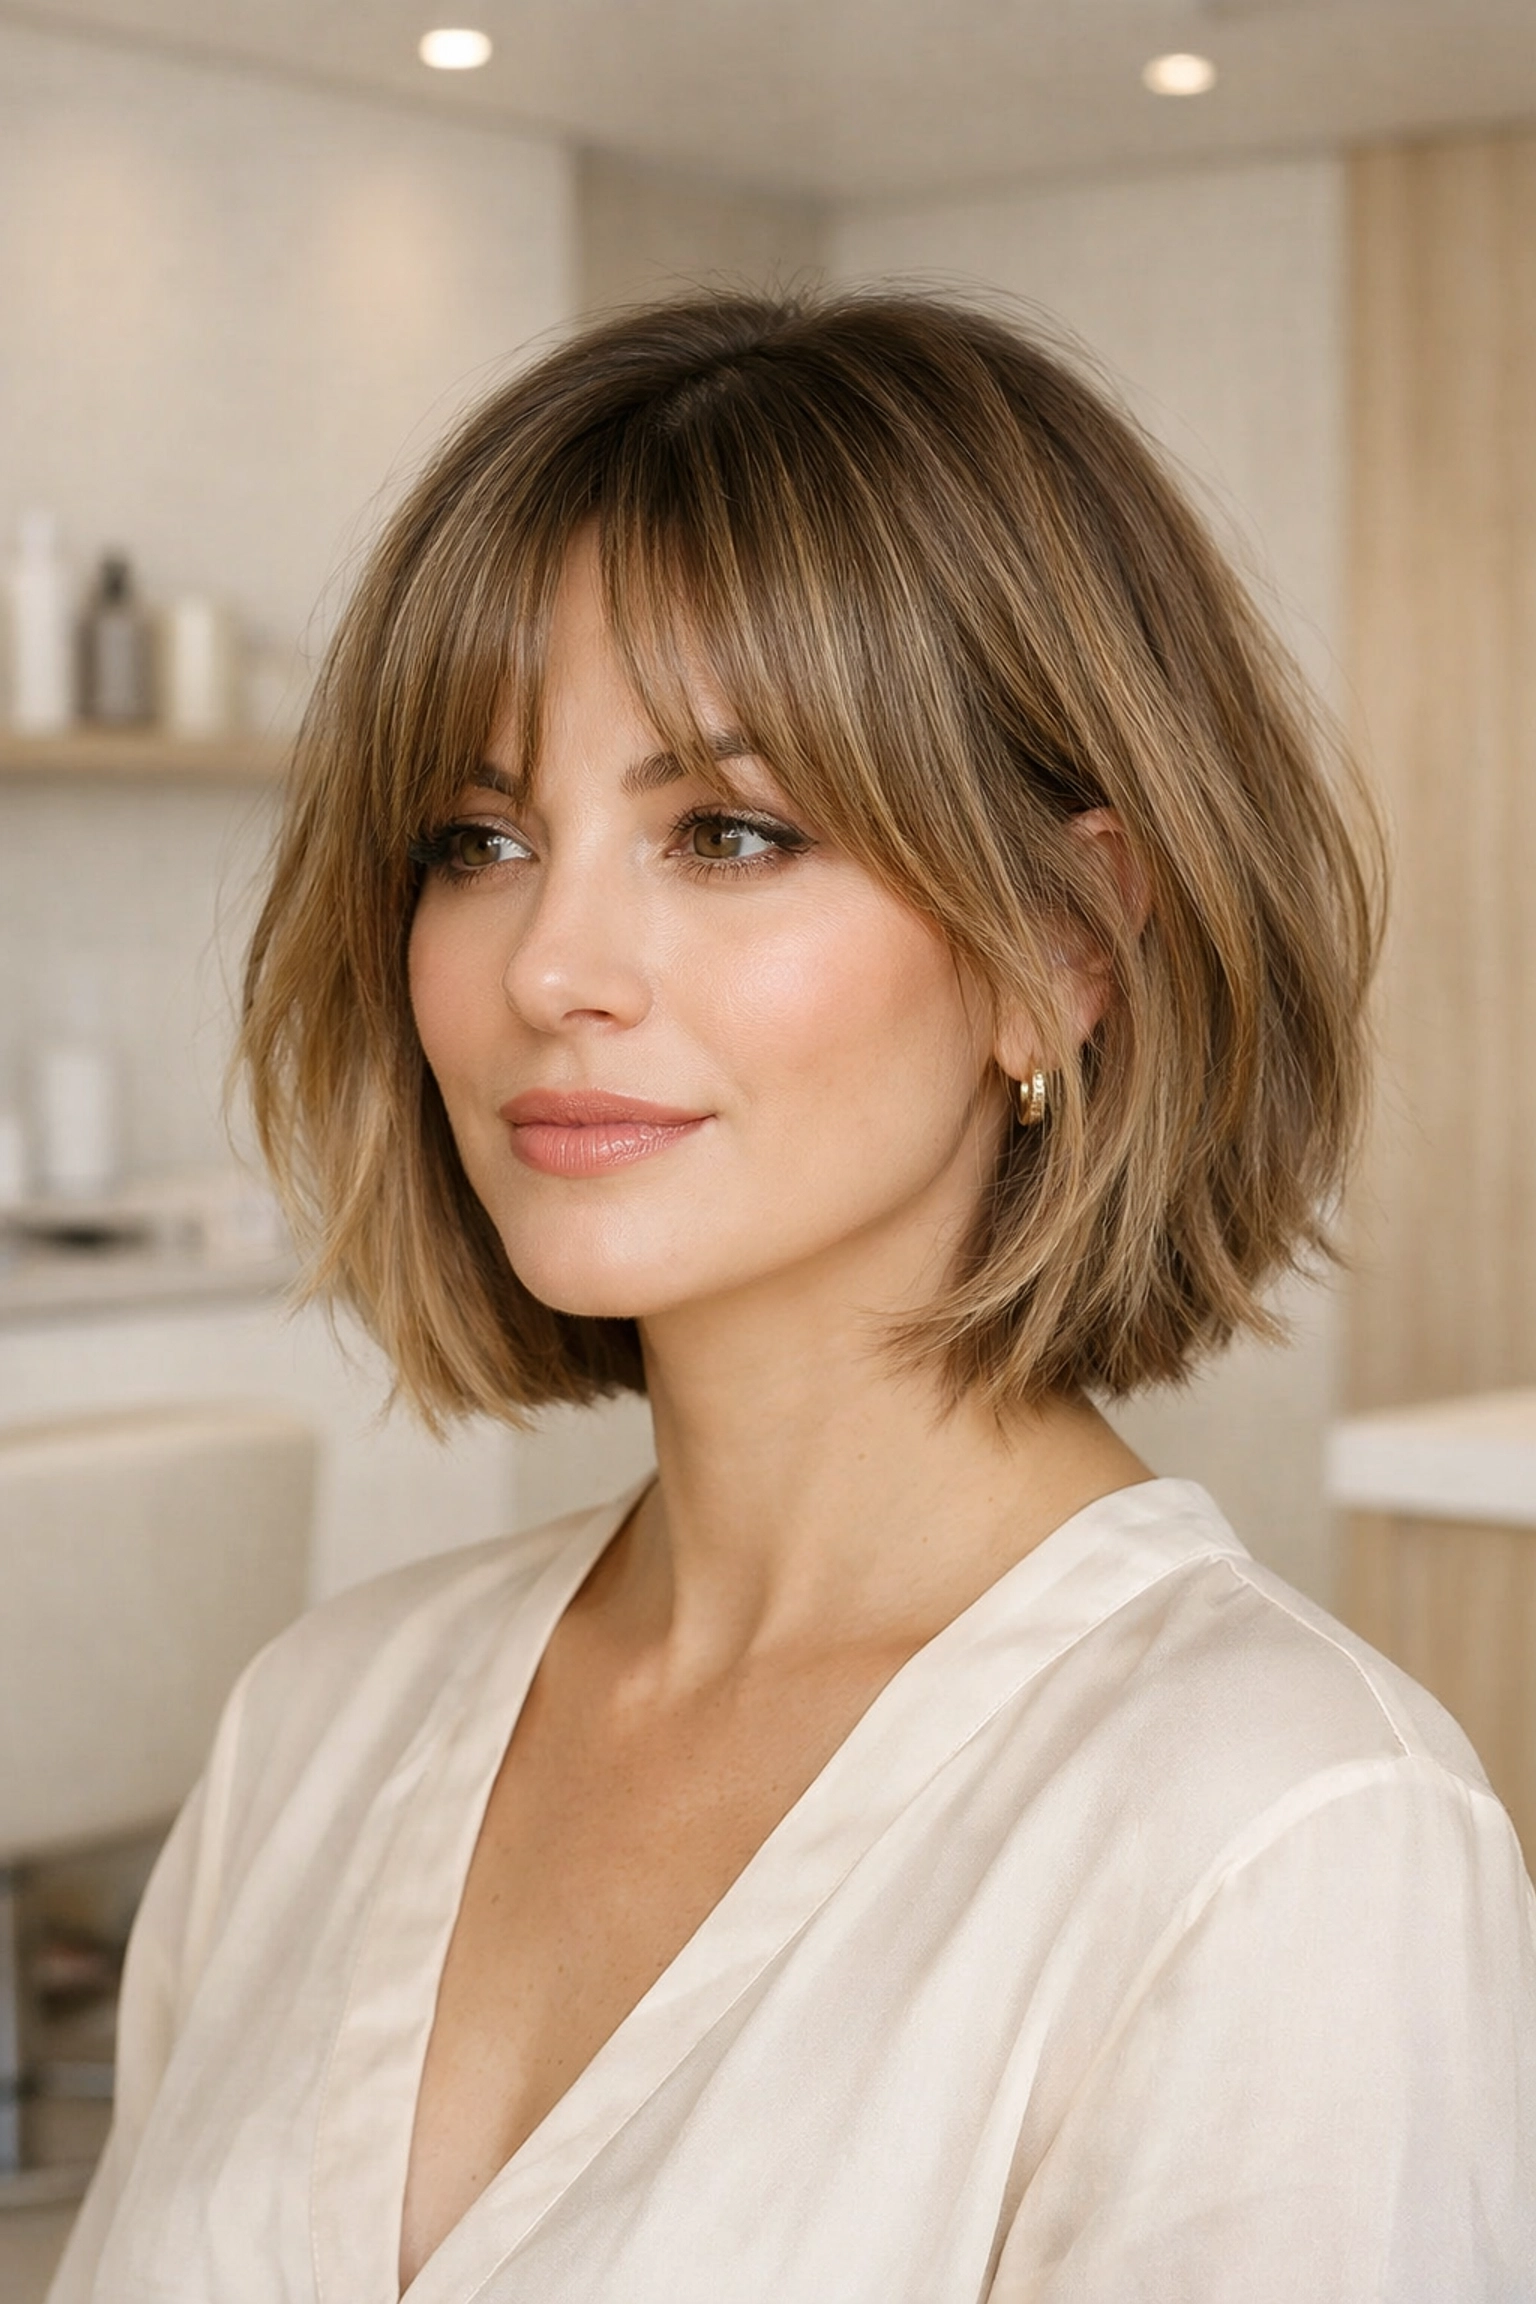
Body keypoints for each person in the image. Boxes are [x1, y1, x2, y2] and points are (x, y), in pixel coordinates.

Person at [51, 289, 1536, 2304]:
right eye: (479, 839)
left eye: (728, 833)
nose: (551, 965)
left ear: (1065, 941)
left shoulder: (1286, 1835)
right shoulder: (318, 1725)